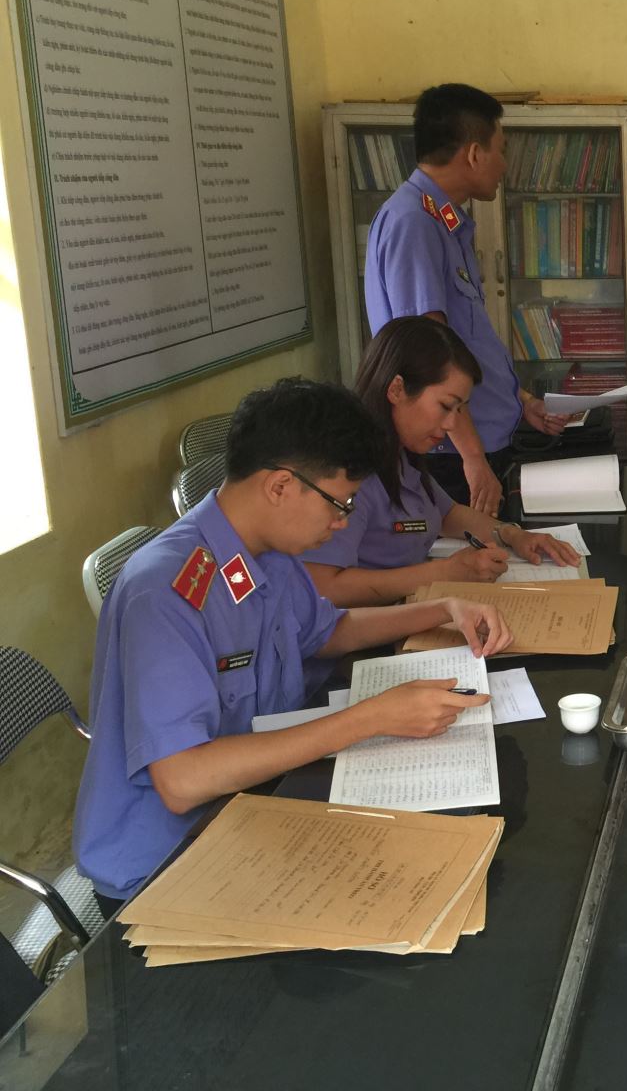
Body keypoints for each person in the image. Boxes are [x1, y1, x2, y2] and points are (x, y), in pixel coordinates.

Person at [73, 378, 514, 904]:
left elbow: (329, 631)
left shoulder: (269, 552)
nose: (342, 523)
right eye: (339, 504)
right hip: (169, 861)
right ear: (280, 486)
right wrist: (371, 719)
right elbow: (183, 780)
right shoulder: (166, 591)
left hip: (257, 804)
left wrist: (443, 608)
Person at [364, 83, 565, 517]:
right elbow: (430, 360)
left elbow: (468, 344)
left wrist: (522, 400)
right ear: (474, 154)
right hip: (450, 456)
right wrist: (473, 458)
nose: (504, 164)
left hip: (477, 444)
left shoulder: (443, 221)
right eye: (501, 150)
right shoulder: (414, 223)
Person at [300, 317, 581, 607]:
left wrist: (511, 534)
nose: (450, 424)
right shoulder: (346, 473)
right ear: (396, 389)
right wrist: (444, 573)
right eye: (446, 406)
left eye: (459, 410)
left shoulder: (401, 456)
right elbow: (324, 587)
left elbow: (446, 514)